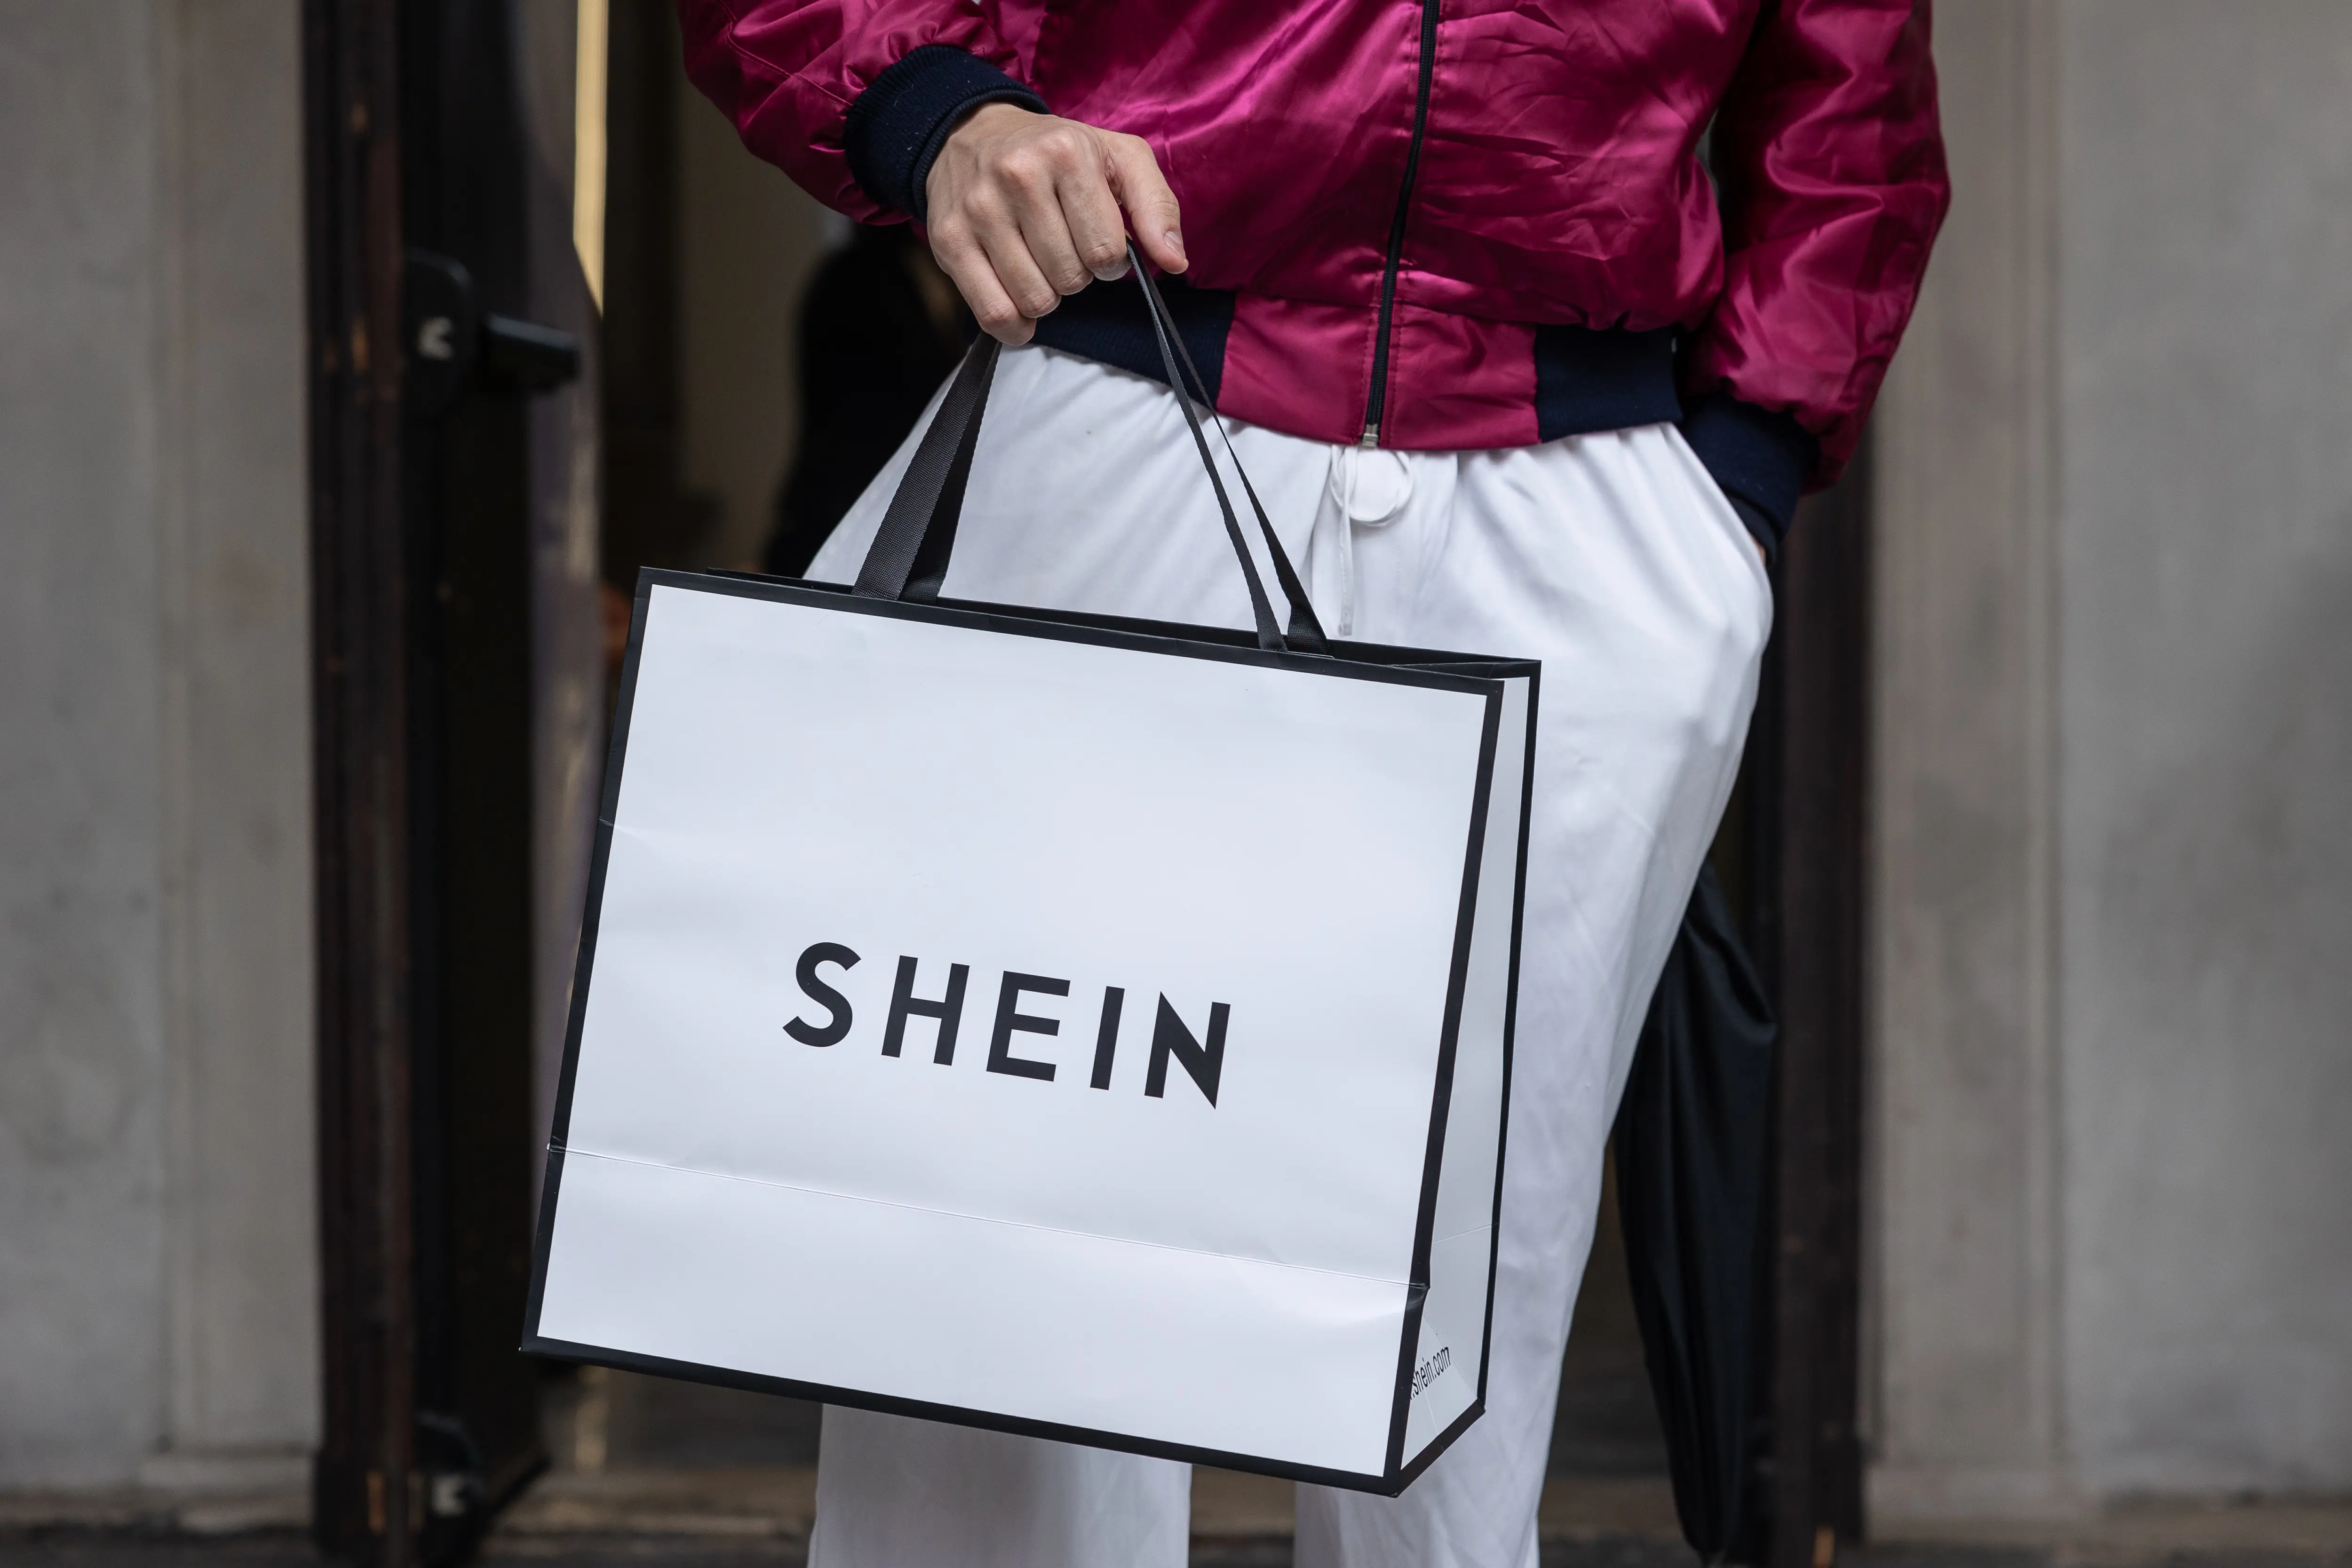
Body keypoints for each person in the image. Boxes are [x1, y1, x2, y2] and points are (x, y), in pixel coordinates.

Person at [678, 5, 1947, 1566]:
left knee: (1457, 1353)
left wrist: (1740, 473)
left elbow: (1854, 102)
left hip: (1580, 468)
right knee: (990, 1308)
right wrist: (934, 112)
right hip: (1127, 380)